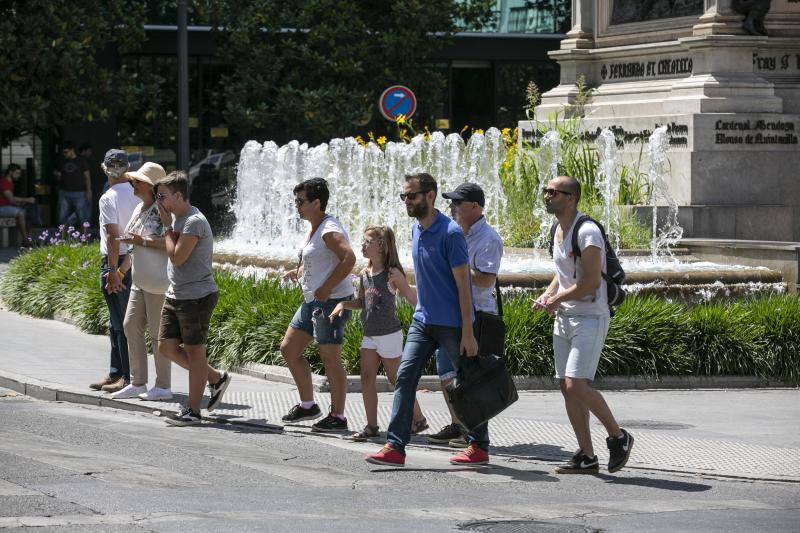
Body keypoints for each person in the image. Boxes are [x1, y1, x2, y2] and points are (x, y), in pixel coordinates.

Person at [366, 172, 486, 467]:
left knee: (466, 385)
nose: (407, 201)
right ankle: (395, 446)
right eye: (404, 196)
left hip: (452, 324)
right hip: (423, 321)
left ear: (430, 196)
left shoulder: (451, 233)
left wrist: (468, 332)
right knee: (405, 377)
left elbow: (464, 287)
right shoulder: (415, 229)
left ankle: (479, 446)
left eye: (412, 196)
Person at [532, 175, 634, 474]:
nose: (547, 195)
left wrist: (557, 298)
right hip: (565, 317)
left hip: (590, 317)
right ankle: (587, 456)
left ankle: (619, 437)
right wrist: (549, 294)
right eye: (546, 191)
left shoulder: (587, 231)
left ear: (571, 198)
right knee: (567, 388)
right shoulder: (558, 229)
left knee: (577, 384)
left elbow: (590, 282)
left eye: (553, 192)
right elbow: (564, 272)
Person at [329, 225, 428, 441]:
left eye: (367, 242)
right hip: (370, 334)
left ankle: (418, 419)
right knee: (366, 379)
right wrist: (343, 305)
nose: (363, 246)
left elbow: (412, 300)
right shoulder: (365, 274)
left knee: (396, 380)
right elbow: (362, 302)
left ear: (381, 247)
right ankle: (371, 426)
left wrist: (427, 323)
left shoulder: (392, 273)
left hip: (390, 335)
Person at [427, 182, 504, 448]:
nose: (453, 207)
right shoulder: (453, 233)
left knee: (471, 378)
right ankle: (459, 424)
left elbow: (486, 280)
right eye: (452, 202)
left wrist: (455, 267)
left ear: (475, 207)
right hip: (450, 314)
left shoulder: (489, 239)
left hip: (476, 316)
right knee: (447, 374)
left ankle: (475, 433)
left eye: (458, 202)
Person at [280, 177, 356, 433]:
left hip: (330, 302)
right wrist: (300, 271)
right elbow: (320, 259)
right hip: (312, 301)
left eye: (301, 201)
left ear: (316, 202)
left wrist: (326, 287)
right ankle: (308, 404)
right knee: (289, 349)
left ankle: (339, 416)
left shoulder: (328, 229)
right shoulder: (315, 227)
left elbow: (349, 259)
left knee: (330, 358)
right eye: (296, 200)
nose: (297, 205)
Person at [155, 171, 231, 426]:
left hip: (196, 297)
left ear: (178, 195)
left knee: (195, 352)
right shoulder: (178, 219)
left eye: (163, 196)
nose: (159, 202)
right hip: (176, 293)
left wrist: (166, 227)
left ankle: (193, 410)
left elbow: (177, 257)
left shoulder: (192, 222)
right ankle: (215, 378)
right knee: (166, 347)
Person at [110, 162, 174, 401]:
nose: (132, 184)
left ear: (149, 186)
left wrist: (142, 241)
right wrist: (120, 271)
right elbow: (134, 246)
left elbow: (170, 244)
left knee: (159, 335)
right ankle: (138, 382)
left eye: (137, 181)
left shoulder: (162, 210)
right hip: (140, 279)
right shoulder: (140, 208)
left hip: (158, 282)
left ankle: (163, 386)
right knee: (130, 326)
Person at [89, 150, 139, 394]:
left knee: (120, 322)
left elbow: (111, 236)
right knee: (117, 320)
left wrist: (112, 271)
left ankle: (126, 377)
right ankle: (116, 372)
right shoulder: (138, 191)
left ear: (104, 168)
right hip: (134, 257)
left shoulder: (108, 197)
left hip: (117, 261)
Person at [54, 141, 91, 226]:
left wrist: (88, 190)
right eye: (63, 152)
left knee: (82, 217)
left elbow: (87, 176)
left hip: (79, 192)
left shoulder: (81, 160)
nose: (64, 154)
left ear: (72, 150)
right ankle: (62, 238)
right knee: (62, 217)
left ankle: (84, 238)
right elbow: (58, 174)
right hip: (64, 192)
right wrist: (57, 175)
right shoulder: (62, 161)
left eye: (66, 152)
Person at [0, 164, 36, 246]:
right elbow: (11, 199)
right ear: (10, 172)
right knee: (20, 213)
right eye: (17, 173)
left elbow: (10, 201)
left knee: (30, 213)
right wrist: (28, 199)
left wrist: (22, 203)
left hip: (7, 207)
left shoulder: (10, 183)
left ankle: (29, 239)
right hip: (2, 208)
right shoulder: (4, 182)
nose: (19, 176)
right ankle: (25, 239)